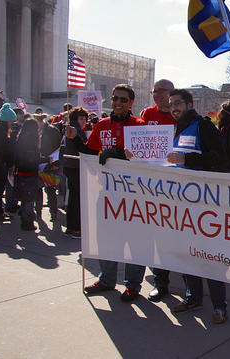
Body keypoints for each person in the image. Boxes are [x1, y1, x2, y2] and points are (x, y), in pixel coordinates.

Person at [66, 84, 147, 303]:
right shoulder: (101, 125)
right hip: (107, 191)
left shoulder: (140, 125)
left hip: (134, 194)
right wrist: (75, 138)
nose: (118, 103)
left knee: (135, 241)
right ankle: (107, 280)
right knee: (107, 238)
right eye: (115, 98)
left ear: (131, 103)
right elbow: (89, 152)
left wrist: (118, 153)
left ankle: (132, 285)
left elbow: (145, 158)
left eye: (123, 99)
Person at [165, 89, 229, 324]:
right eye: (171, 104)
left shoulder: (203, 125)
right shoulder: (172, 129)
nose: (174, 107)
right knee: (185, 253)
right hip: (179, 203)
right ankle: (193, 297)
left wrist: (187, 160)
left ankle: (220, 306)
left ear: (189, 104)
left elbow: (220, 160)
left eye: (178, 103)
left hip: (204, 204)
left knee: (209, 256)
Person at [141, 79, 177, 302]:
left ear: (171, 93)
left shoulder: (178, 114)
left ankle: (190, 282)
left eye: (161, 91)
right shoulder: (147, 114)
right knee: (154, 232)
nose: (156, 94)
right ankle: (160, 282)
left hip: (175, 182)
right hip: (151, 182)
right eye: (154, 91)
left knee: (175, 232)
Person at [11, 119, 50, 231]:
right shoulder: (29, 142)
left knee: (25, 197)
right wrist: (47, 159)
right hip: (29, 172)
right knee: (29, 198)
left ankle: (25, 220)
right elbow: (31, 160)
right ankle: (27, 222)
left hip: (21, 171)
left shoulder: (20, 139)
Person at [60, 107, 88, 240]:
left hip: (68, 165)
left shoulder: (67, 129)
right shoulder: (76, 130)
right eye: (81, 118)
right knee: (77, 198)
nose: (84, 121)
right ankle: (77, 228)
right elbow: (83, 147)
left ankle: (70, 226)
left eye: (85, 119)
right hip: (76, 165)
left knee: (72, 197)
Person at [33, 113, 62, 222]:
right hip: (39, 163)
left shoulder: (52, 130)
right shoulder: (37, 131)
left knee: (50, 189)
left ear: (41, 121)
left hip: (51, 164)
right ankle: (38, 213)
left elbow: (59, 148)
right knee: (38, 189)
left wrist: (57, 163)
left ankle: (53, 213)